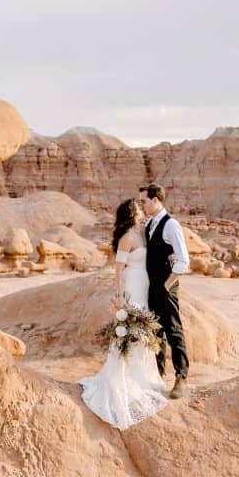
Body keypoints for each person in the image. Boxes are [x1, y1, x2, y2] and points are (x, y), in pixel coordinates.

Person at [79, 198, 168, 430]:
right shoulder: (126, 238)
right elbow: (118, 269)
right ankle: (122, 377)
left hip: (144, 286)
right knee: (131, 329)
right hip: (131, 286)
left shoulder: (141, 233)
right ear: (132, 212)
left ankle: (142, 376)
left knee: (143, 329)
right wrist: (119, 296)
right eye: (138, 207)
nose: (141, 209)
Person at [138, 183, 190, 399]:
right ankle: (158, 375)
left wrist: (166, 286)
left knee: (173, 329)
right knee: (155, 331)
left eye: (144, 201)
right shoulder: (150, 223)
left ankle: (181, 377)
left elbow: (183, 261)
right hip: (152, 287)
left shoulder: (171, 225)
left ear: (155, 200)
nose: (142, 204)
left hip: (166, 286)